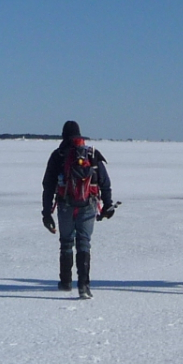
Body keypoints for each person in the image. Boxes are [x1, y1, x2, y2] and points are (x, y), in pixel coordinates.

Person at [41, 120, 114, 299]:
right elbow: (104, 181)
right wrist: (107, 204)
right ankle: (84, 286)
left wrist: (46, 212)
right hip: (89, 203)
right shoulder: (91, 154)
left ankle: (65, 283)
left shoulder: (58, 155)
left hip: (65, 204)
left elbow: (48, 185)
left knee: (66, 242)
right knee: (84, 242)